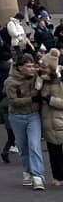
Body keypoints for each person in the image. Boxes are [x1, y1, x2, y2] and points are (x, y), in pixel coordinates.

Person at [6, 53, 46, 190]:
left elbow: (49, 74)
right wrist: (31, 99)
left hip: (33, 115)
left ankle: (38, 176)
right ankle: (27, 171)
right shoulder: (11, 82)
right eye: (28, 66)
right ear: (20, 67)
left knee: (34, 145)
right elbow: (13, 102)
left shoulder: (36, 76)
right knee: (23, 147)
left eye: (32, 66)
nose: (31, 69)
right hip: (17, 116)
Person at [40, 48, 63, 186]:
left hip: (60, 121)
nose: (43, 70)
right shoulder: (42, 82)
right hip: (48, 122)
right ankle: (57, 176)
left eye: (45, 68)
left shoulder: (60, 83)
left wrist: (51, 100)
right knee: (53, 153)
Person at [0, 56, 18, 161]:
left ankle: (6, 150)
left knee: (10, 133)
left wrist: (0, 99)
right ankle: (9, 150)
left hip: (3, 103)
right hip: (13, 106)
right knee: (18, 133)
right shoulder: (12, 79)